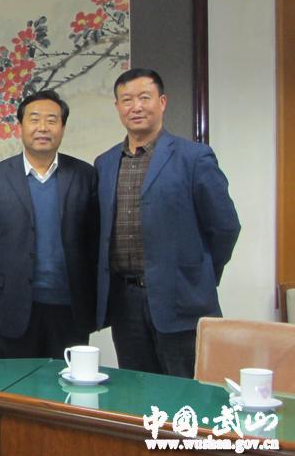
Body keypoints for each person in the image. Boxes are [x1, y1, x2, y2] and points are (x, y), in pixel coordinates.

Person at [95, 68, 240, 377]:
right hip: (125, 302)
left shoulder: (194, 157)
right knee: (137, 390)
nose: (136, 107)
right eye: (127, 100)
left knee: (188, 391)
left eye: (144, 97)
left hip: (182, 299)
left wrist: (200, 273)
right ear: (118, 107)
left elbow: (225, 227)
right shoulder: (105, 163)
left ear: (162, 102)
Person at [0, 90, 98, 359]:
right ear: (20, 126)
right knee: (17, 383)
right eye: (34, 119)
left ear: (63, 127)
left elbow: (95, 243)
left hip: (71, 307)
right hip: (12, 306)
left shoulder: (85, 176)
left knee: (67, 382)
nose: (43, 127)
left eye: (51, 120)